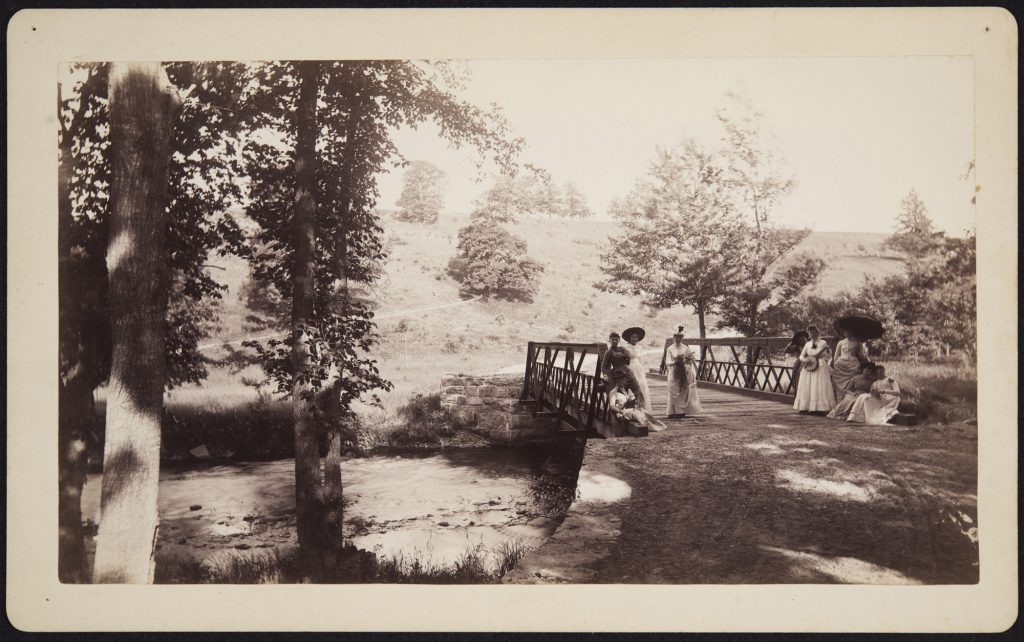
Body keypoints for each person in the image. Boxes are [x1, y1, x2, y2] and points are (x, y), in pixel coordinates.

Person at [793, 324, 836, 413]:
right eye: (810, 333)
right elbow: (801, 355)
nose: (812, 334)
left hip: (819, 365)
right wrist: (804, 360)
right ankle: (805, 407)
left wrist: (827, 351)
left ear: (817, 333)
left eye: (814, 332)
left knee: (818, 385)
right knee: (807, 385)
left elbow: (827, 356)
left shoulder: (823, 343)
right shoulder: (807, 344)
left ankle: (819, 409)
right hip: (808, 365)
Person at [665, 326, 702, 417]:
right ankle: (673, 411)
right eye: (676, 337)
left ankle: (681, 411)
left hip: (684, 371)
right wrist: (676, 361)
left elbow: (691, 360)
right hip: (674, 371)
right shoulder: (670, 348)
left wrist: (687, 362)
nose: (678, 339)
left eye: (680, 337)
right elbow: (667, 362)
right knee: (674, 390)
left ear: (682, 338)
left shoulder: (685, 348)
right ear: (673, 337)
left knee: (683, 390)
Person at [602, 332, 642, 400]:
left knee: (637, 388)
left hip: (627, 371)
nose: (614, 341)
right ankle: (622, 407)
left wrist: (626, 355)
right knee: (621, 393)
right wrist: (605, 376)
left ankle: (640, 406)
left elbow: (627, 362)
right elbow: (604, 366)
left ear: (619, 340)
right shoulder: (608, 352)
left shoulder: (622, 349)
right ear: (610, 340)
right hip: (617, 373)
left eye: (616, 340)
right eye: (613, 339)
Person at [831, 329, 870, 398]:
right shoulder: (840, 342)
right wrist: (835, 366)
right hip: (840, 365)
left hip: (853, 365)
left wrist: (861, 352)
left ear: (852, 332)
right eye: (845, 332)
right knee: (838, 383)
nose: (847, 333)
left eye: (849, 331)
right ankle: (839, 399)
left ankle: (850, 398)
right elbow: (835, 356)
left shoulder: (857, 342)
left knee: (851, 382)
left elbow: (862, 356)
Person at [621, 326, 652, 411]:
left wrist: (643, 369)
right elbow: (622, 360)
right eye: (632, 337)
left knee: (642, 384)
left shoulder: (640, 347)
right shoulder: (624, 347)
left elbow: (640, 359)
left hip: (638, 368)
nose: (634, 339)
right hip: (629, 367)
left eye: (636, 337)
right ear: (629, 338)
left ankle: (641, 405)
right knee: (632, 385)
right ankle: (631, 406)